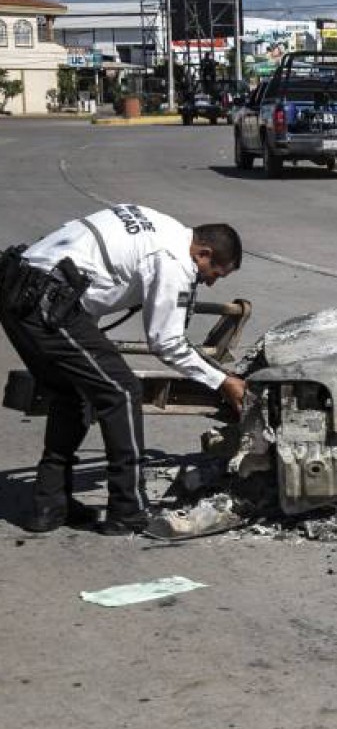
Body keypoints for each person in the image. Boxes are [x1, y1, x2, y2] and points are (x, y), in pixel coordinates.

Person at [0, 206, 246, 535]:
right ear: (203, 252)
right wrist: (223, 381)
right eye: (214, 272)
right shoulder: (174, 260)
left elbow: (92, 266)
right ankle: (127, 509)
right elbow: (168, 343)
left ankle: (50, 505)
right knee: (121, 390)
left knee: (72, 393)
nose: (211, 283)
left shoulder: (160, 223)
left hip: (17, 289)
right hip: (47, 303)